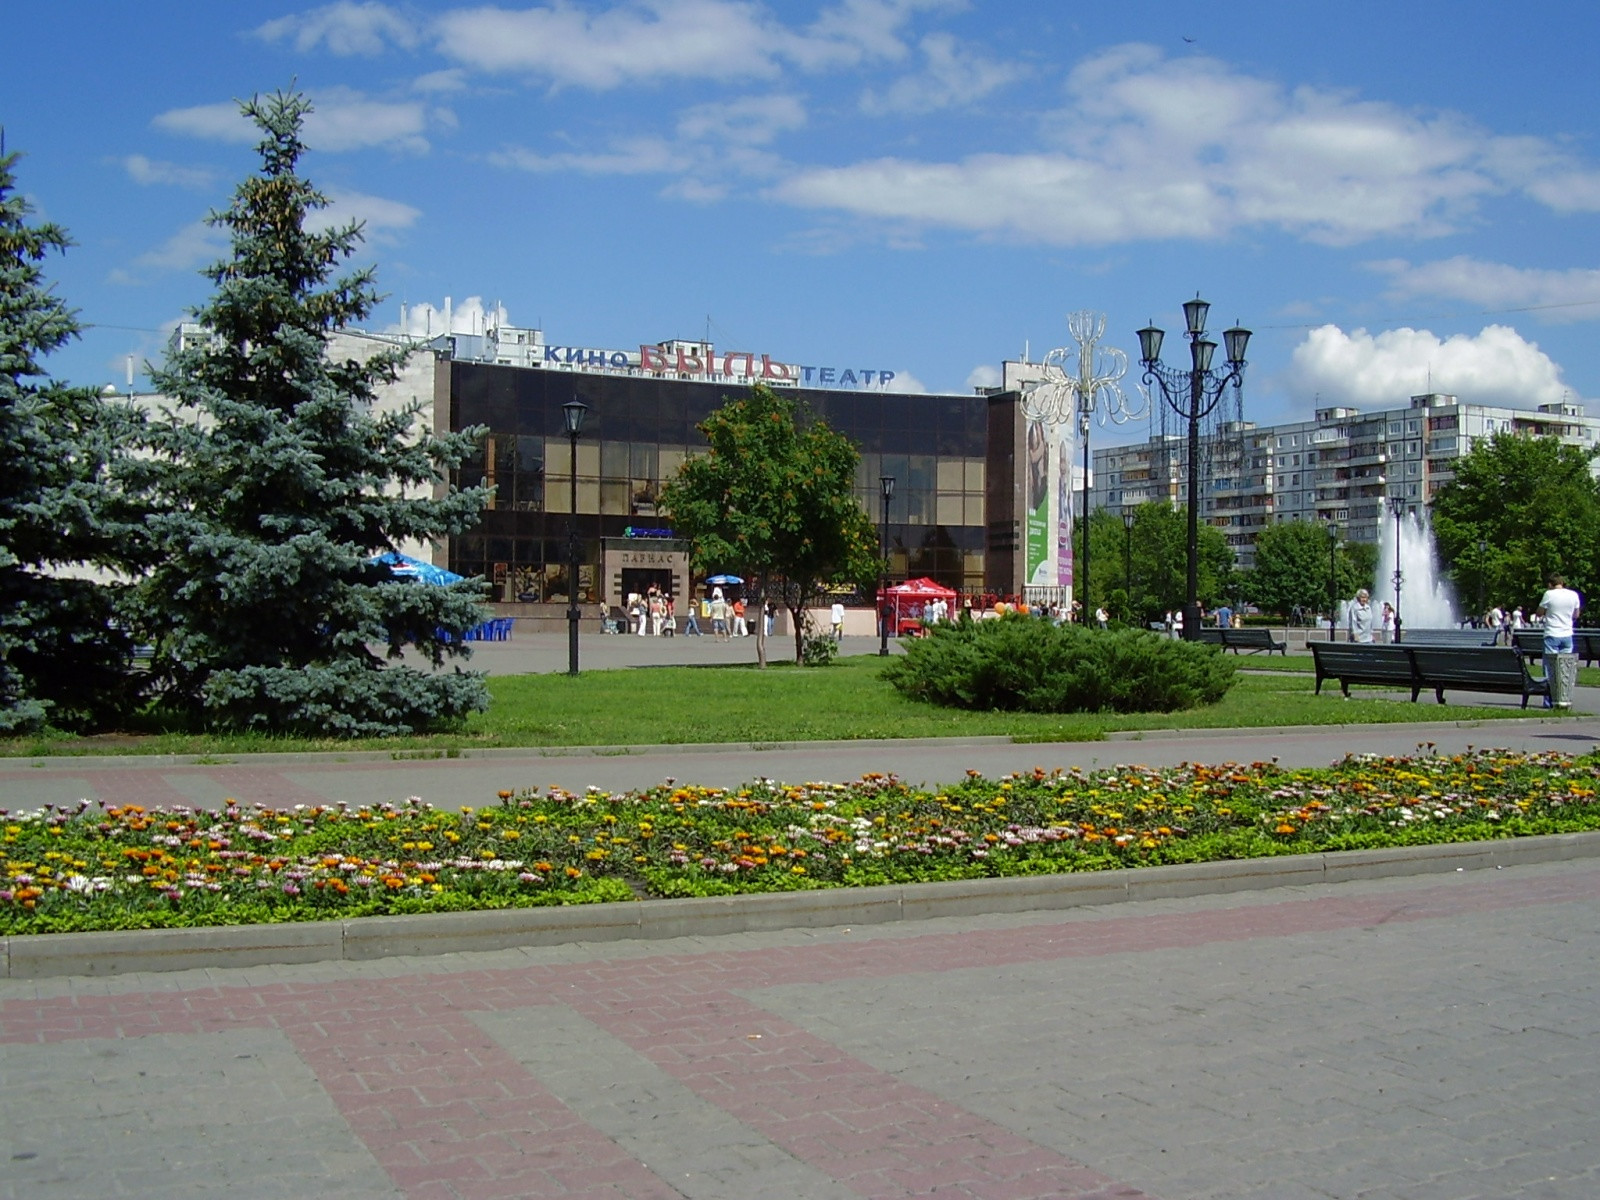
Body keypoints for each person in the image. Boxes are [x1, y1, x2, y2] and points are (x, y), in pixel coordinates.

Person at [1537, 574, 1582, 708]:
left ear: (1551, 584)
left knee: (1550, 668)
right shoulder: (1573, 595)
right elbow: (1576, 614)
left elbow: (1539, 612)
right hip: (1567, 634)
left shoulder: (1549, 594)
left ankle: (1549, 700)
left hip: (1552, 633)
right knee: (1565, 669)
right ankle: (1563, 698)